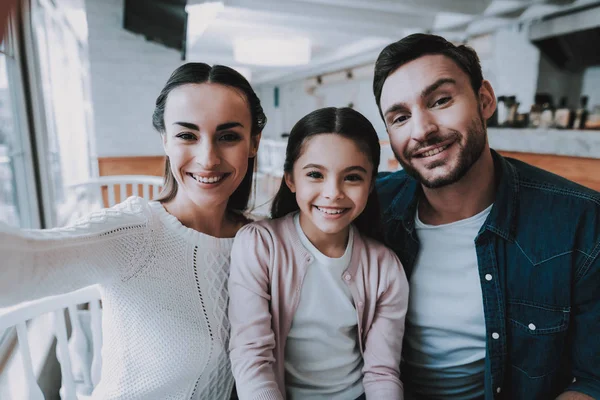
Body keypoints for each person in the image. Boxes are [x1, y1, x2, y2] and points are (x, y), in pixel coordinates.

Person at [0, 62, 266, 399]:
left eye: (228, 136)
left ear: (254, 143)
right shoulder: (137, 232)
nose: (208, 158)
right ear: (165, 140)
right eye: (187, 135)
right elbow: (28, 263)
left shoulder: (261, 241)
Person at [373, 33, 600, 400]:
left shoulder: (581, 220)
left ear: (484, 100)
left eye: (441, 100)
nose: (422, 130)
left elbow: (594, 377)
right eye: (400, 117)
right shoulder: (369, 208)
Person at [228, 107, 409, 400]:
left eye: (352, 177)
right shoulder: (259, 245)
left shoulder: (385, 266)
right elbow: (252, 357)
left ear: (370, 184)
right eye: (315, 174)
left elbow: (382, 373)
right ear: (290, 179)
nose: (333, 192)